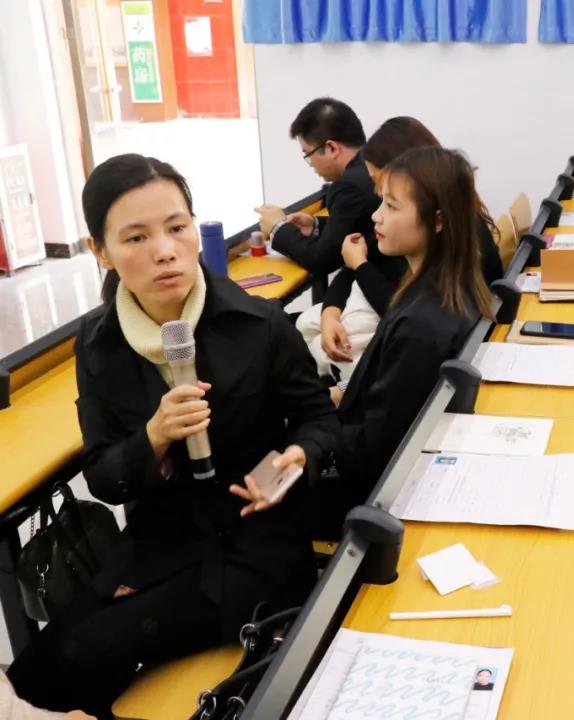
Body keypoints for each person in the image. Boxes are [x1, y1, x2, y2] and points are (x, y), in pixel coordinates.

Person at [7, 154, 341, 717]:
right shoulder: (98, 344)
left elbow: (323, 423)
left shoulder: (258, 324)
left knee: (86, 653)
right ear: (100, 251)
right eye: (136, 237)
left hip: (252, 548)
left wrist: (295, 458)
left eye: (177, 228)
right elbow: (103, 476)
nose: (164, 250)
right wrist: (154, 437)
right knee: (36, 671)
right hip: (159, 545)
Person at [333, 147, 493, 513]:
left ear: (437, 221)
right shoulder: (450, 288)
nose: (376, 216)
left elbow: (372, 452)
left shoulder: (421, 325)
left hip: (365, 491)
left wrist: (314, 433)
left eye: (391, 206)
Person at [311, 117, 503, 388]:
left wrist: (361, 266)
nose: (377, 213)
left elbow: (400, 313)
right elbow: (353, 265)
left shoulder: (422, 317)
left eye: (390, 201)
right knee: (311, 327)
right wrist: (330, 314)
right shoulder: (424, 243)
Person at [256, 97, 384, 278]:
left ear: (332, 148)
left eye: (308, 154)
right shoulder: (371, 164)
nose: (310, 164)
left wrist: (277, 227)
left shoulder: (350, 185)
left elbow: (321, 259)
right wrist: (316, 225)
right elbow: (356, 225)